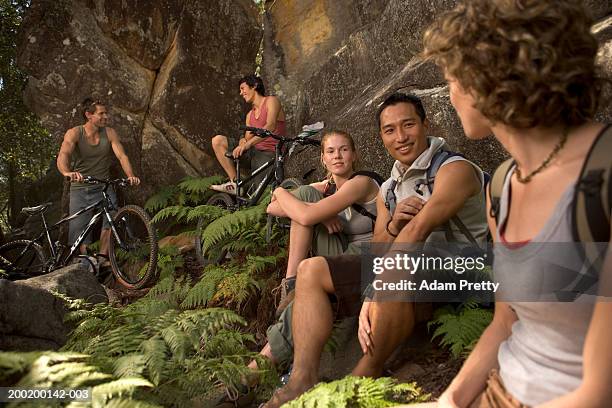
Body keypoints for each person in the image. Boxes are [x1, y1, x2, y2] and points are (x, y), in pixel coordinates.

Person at [420, 1, 611, 407]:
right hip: (500, 388)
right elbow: (506, 320)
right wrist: (448, 402)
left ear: (485, 78)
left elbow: (599, 392)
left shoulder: (602, 176)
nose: (450, 94)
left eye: (451, 78)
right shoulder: (503, 184)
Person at [263, 92, 488, 407]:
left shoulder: (454, 169)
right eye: (390, 130)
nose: (400, 137)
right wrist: (393, 224)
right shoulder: (390, 188)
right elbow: (381, 247)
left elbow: (418, 230)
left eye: (408, 125)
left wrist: (373, 289)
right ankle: (301, 379)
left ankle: (361, 377)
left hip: (461, 272)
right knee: (310, 270)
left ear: (426, 124)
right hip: (409, 273)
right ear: (381, 137)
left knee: (399, 267)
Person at [247, 130, 381, 377]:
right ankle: (291, 283)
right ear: (323, 159)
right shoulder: (327, 188)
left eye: (344, 150)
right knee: (306, 197)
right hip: (343, 249)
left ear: (354, 155)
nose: (338, 156)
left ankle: (257, 371)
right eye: (330, 151)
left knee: (304, 209)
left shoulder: (362, 182)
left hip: (367, 255)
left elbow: (305, 216)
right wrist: (284, 194)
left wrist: (312, 208)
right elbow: (272, 207)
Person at [57, 98, 140, 263]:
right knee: (79, 229)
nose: (105, 116)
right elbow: (63, 155)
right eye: (101, 113)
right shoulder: (74, 133)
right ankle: (86, 261)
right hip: (81, 187)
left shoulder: (109, 133)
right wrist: (67, 172)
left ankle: (102, 258)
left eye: (106, 113)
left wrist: (130, 175)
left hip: (104, 186)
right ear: (88, 115)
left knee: (111, 218)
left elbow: (122, 156)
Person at [210, 75, 286, 194]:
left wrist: (246, 145)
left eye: (242, 88)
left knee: (259, 194)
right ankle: (235, 182)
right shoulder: (249, 115)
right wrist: (242, 143)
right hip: (253, 151)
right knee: (217, 141)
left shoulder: (271, 101)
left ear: (254, 85)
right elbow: (246, 138)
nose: (241, 93)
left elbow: (270, 126)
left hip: (270, 152)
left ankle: (246, 189)